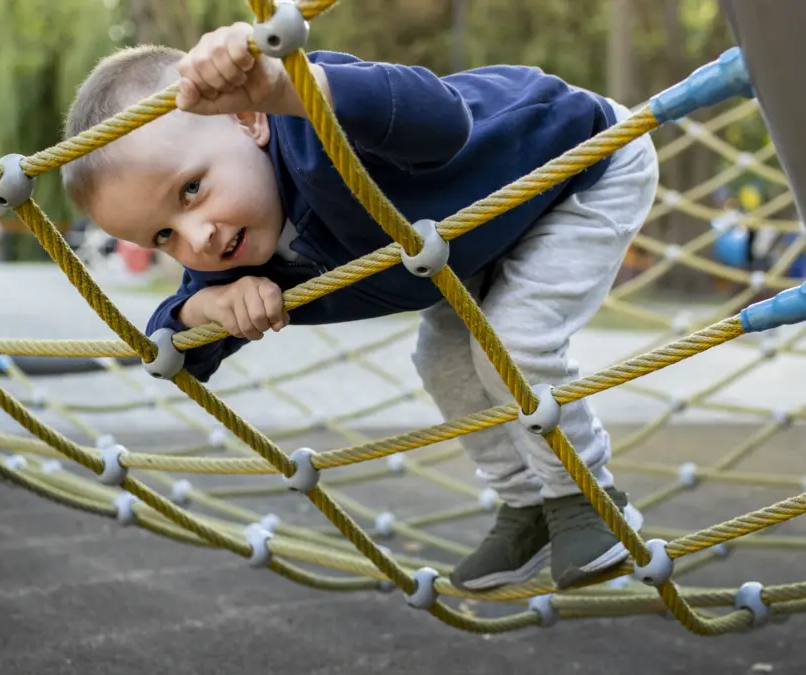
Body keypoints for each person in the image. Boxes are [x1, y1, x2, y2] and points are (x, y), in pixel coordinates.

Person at [60, 22, 659, 591]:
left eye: (191, 189)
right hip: (469, 250)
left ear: (247, 120)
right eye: (163, 236)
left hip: (581, 162)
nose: (197, 238)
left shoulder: (317, 126)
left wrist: (298, 89)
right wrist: (204, 310)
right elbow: (172, 349)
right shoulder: (230, 260)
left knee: (515, 339)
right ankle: (528, 504)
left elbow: (441, 118)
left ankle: (588, 499)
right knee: (443, 363)